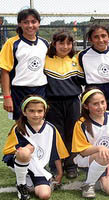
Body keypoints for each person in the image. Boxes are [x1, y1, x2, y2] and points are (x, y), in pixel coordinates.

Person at [2, 95, 69, 200]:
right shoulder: (18, 128)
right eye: (31, 111)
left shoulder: (51, 129)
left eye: (39, 111)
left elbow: (57, 152)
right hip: (20, 161)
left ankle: (29, 182)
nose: (36, 114)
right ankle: (21, 185)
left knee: (44, 195)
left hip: (38, 167)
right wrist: (25, 149)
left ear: (44, 112)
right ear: (24, 112)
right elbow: (8, 151)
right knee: (25, 152)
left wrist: (60, 173)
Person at [72, 88, 109, 198]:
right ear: (86, 106)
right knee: (103, 154)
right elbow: (83, 152)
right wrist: (99, 149)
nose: (101, 107)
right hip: (88, 159)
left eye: (102, 102)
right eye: (95, 104)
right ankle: (89, 184)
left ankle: (101, 175)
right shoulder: (81, 124)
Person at [44, 30, 85, 179]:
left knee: (72, 134)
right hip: (52, 103)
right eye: (61, 43)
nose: (65, 46)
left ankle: (71, 165)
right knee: (55, 135)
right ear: (54, 44)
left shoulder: (76, 59)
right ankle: (56, 165)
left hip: (73, 101)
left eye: (68, 43)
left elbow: (83, 80)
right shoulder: (46, 59)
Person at [0, 8, 48, 120]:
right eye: (25, 22)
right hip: (19, 91)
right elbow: (5, 71)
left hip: (41, 90)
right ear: (19, 24)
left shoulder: (44, 43)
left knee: (40, 124)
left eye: (33, 22)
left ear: (39, 23)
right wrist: (7, 97)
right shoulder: (12, 43)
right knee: (21, 126)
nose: (30, 25)